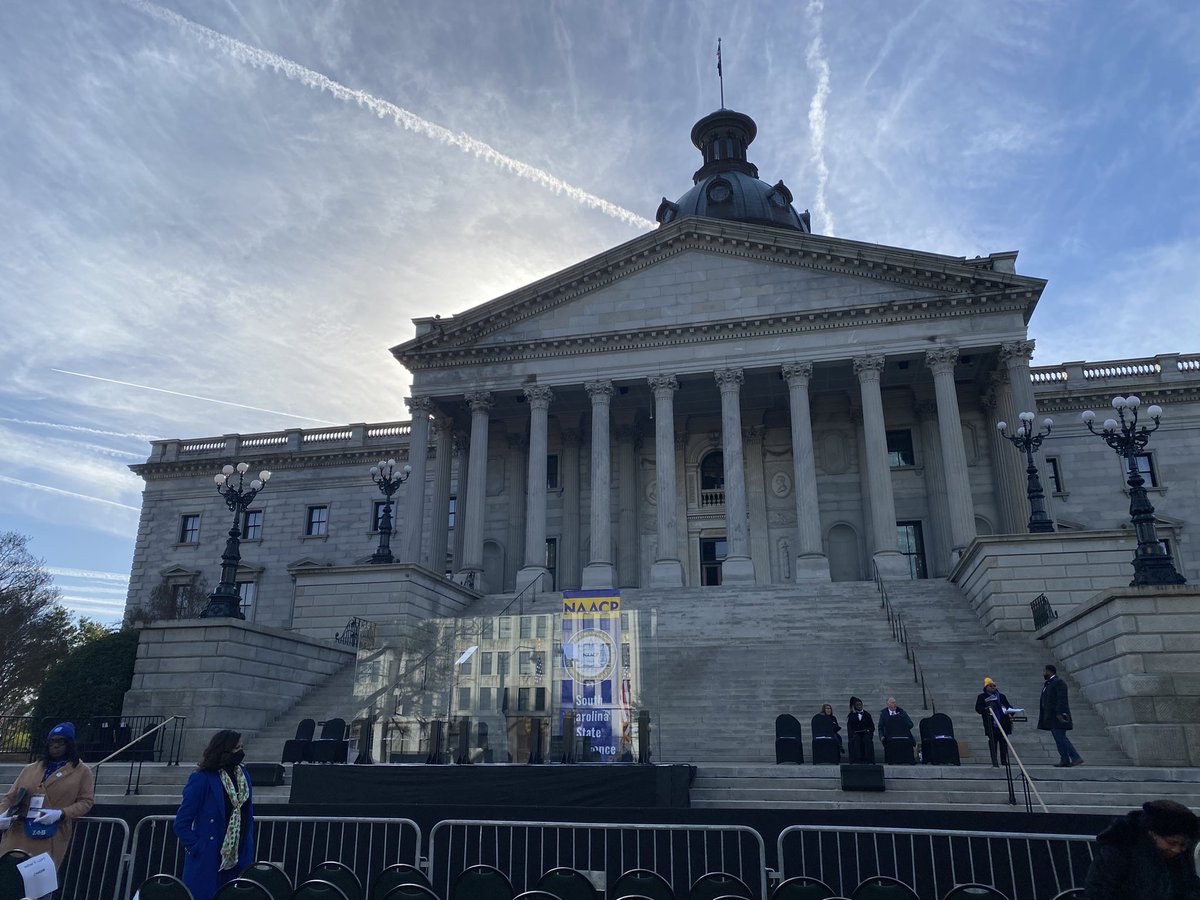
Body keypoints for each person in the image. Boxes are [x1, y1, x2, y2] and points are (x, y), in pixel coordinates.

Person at [0, 722, 95, 894]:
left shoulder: (82, 772)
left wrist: (61, 813)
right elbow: (10, 797)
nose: (55, 745)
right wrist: (2, 815)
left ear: (70, 744)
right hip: (18, 833)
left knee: (39, 890)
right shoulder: (31, 769)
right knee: (9, 884)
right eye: (52, 741)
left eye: (61, 741)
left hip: (50, 836)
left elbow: (86, 802)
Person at [174, 730, 255, 900]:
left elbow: (248, 814)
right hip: (210, 856)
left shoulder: (243, 776)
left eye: (241, 747)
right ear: (224, 750)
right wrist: (197, 847)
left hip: (238, 854)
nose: (240, 752)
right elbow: (181, 822)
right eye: (236, 748)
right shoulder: (202, 778)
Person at [1082, 799, 1200, 899]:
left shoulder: (1180, 857)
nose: (1176, 849)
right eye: (1171, 843)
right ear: (1153, 834)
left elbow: (1188, 888)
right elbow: (1098, 892)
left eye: (1183, 845)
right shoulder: (1120, 850)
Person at [1038, 664, 1083, 767]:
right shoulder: (1049, 683)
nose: (1044, 673)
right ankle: (1066, 759)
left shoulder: (1058, 682)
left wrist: (1059, 713)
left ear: (1049, 672)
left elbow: (1061, 698)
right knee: (1059, 738)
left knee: (1060, 738)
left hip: (1058, 716)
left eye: (1045, 671)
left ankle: (1074, 757)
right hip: (1051, 716)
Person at [975, 677, 1014, 767]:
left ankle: (1004, 760)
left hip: (1003, 722)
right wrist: (986, 709)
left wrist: (1011, 711)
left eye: (994, 686)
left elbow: (1008, 706)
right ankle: (994, 760)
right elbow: (978, 708)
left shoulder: (1001, 696)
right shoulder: (982, 697)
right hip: (991, 723)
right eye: (991, 686)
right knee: (993, 742)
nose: (993, 687)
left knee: (1003, 742)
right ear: (986, 687)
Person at [846, 697, 875, 764]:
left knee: (867, 739)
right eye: (857, 705)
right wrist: (852, 734)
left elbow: (872, 726)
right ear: (854, 706)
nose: (859, 706)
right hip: (855, 734)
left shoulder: (867, 714)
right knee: (856, 739)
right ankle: (857, 759)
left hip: (865, 733)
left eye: (860, 705)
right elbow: (850, 727)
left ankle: (868, 759)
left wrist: (869, 731)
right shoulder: (851, 715)